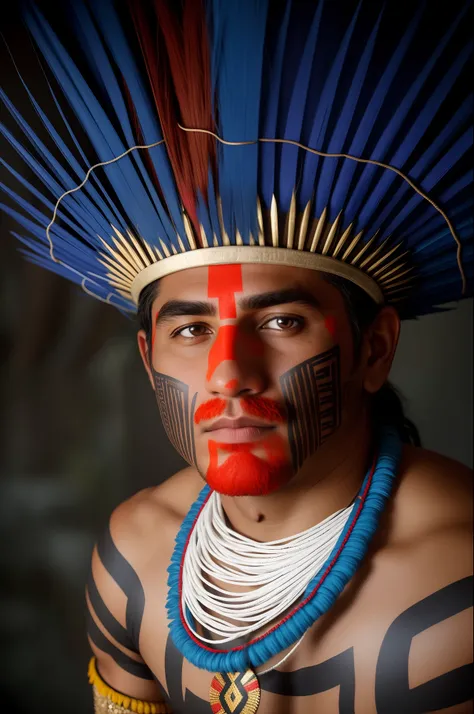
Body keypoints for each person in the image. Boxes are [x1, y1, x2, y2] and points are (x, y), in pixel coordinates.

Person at [2, 1, 472, 712]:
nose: (228, 374)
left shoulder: (456, 584)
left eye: (282, 321)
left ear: (374, 348)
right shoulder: (135, 558)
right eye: (190, 331)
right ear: (145, 354)